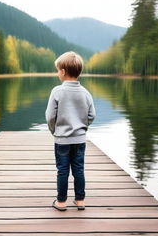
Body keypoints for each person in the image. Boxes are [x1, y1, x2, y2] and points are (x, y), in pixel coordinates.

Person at [45, 51, 96, 211]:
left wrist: (55, 131)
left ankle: (61, 202)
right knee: (79, 169)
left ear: (63, 72)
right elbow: (92, 115)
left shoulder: (57, 91)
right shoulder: (86, 93)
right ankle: (80, 200)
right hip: (80, 140)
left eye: (57, 70)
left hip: (62, 140)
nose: (57, 73)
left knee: (62, 170)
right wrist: (82, 128)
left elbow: (50, 116)